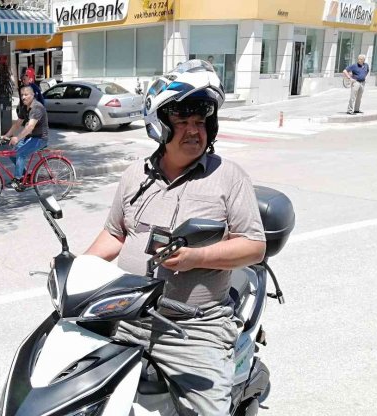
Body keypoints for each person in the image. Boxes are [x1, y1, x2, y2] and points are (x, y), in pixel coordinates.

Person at [84, 60, 266, 415]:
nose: (194, 131)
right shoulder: (135, 174)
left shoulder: (229, 177)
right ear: (160, 126)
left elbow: (254, 247)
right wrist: (79, 270)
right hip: (128, 316)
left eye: (200, 122)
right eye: (182, 122)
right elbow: (115, 233)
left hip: (194, 329)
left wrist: (195, 258)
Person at [1, 85, 49, 191]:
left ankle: (17, 180)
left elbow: (30, 126)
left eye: (26, 94)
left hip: (40, 138)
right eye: (22, 95)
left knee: (20, 153)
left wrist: (17, 138)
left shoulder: (37, 108)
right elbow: (17, 124)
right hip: (31, 137)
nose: (23, 97)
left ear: (32, 95)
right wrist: (6, 136)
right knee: (12, 154)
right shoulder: (24, 107)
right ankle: (24, 177)